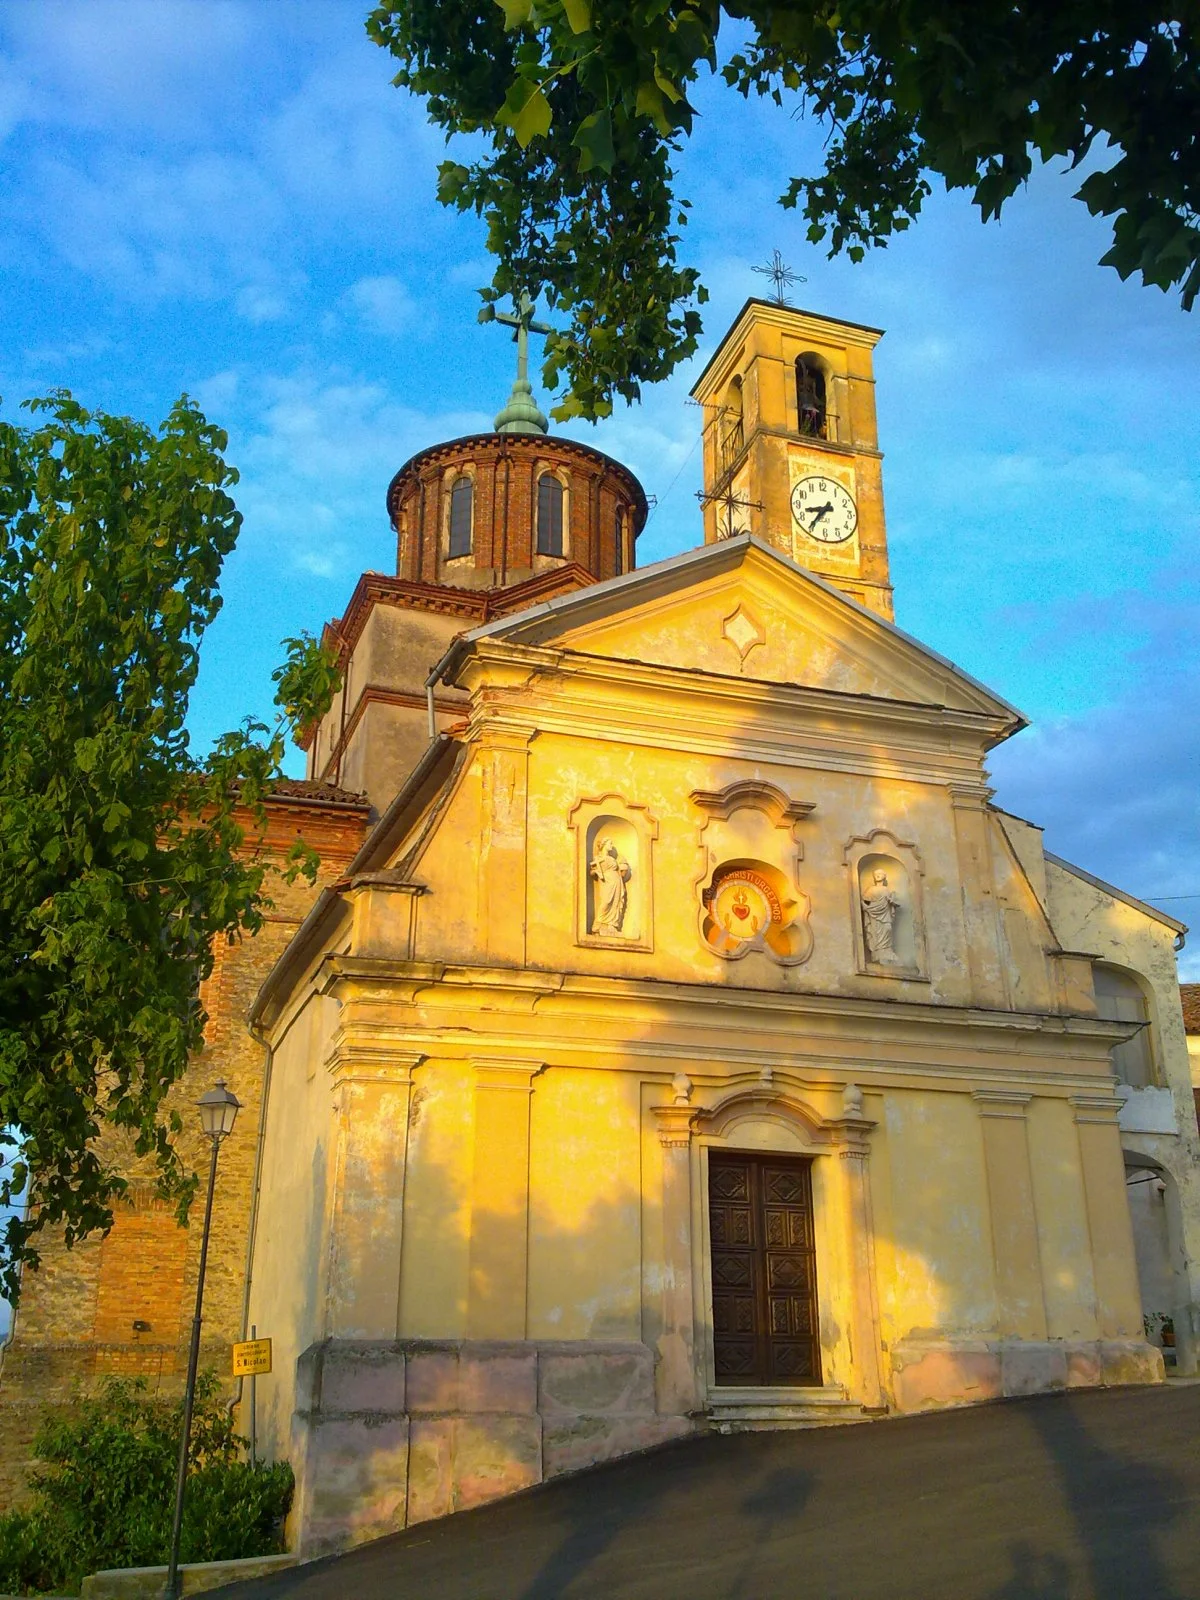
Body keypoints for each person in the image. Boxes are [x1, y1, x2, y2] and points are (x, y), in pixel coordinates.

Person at [590, 836, 631, 935]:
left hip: (617, 881)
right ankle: (598, 924)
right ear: (604, 845)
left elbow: (621, 871)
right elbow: (592, 871)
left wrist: (623, 866)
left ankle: (612, 925)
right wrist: (596, 872)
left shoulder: (612, 859)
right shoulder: (598, 859)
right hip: (606, 882)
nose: (611, 846)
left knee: (616, 903)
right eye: (610, 844)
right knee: (606, 901)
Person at [862, 869, 901, 963]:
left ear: (884, 876)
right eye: (875, 874)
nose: (877, 875)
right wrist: (866, 908)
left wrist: (892, 902)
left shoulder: (886, 890)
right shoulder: (871, 889)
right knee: (876, 932)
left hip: (885, 914)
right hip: (874, 913)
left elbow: (893, 902)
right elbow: (864, 900)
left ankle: (887, 950)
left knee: (888, 929)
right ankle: (878, 952)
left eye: (880, 874)